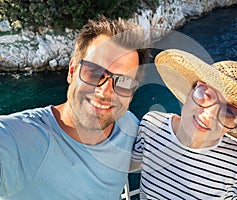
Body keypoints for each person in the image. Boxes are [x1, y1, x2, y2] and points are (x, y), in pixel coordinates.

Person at [0, 16, 151, 199]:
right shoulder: (17, 140)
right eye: (95, 72)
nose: (105, 91)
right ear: (72, 71)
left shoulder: (129, 128)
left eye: (124, 82)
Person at [131, 49, 237, 199]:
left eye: (229, 112)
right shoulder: (151, 125)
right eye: (207, 95)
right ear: (191, 89)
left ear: (236, 123)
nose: (210, 114)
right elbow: (127, 163)